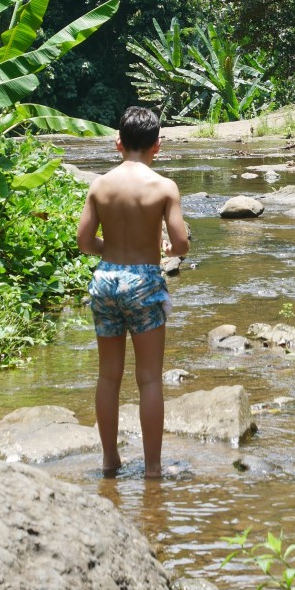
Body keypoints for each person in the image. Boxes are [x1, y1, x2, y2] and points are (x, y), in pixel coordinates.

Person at [76, 106, 190, 479]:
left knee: (108, 376)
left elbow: (83, 241)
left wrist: (108, 251)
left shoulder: (99, 185)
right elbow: (181, 243)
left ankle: (110, 462)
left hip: (106, 280)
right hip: (144, 282)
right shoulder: (164, 187)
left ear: (118, 143)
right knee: (150, 379)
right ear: (157, 146)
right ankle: (153, 469)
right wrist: (169, 251)